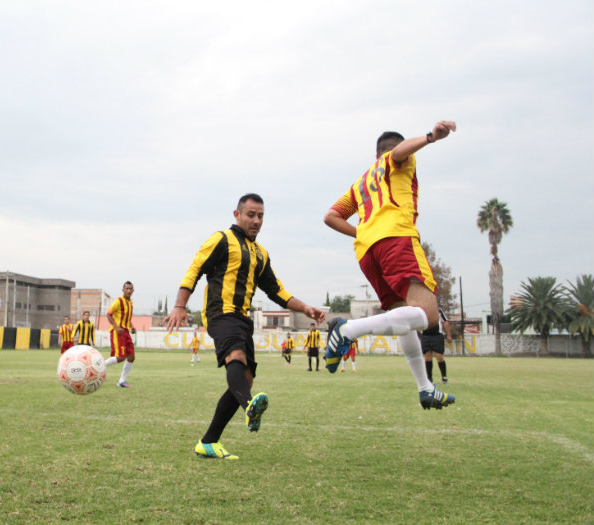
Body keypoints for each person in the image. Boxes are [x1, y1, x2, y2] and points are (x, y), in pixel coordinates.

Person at [164, 193, 325, 460]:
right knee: (235, 358)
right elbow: (195, 269)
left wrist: (305, 307)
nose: (256, 220)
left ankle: (208, 441)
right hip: (220, 313)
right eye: (251, 214)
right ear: (237, 214)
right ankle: (249, 406)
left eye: (261, 216)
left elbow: (277, 291)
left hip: (242, 319)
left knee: (246, 378)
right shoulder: (222, 239)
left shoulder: (261, 253)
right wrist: (180, 305)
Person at [322, 120, 457, 410]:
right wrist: (431, 137)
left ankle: (425, 388)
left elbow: (331, 216)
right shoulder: (396, 160)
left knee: (404, 320)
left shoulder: (361, 184)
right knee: (428, 315)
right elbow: (398, 154)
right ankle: (348, 331)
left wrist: (364, 231)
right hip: (396, 239)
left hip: (368, 251)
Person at [104, 282, 136, 388]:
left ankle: (122, 381)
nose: (129, 290)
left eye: (130, 289)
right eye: (127, 288)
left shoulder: (130, 302)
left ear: (133, 290)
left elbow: (127, 317)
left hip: (126, 331)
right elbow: (108, 314)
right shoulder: (118, 301)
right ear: (123, 289)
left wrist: (131, 326)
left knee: (131, 357)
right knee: (121, 357)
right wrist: (116, 327)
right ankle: (99, 366)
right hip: (118, 332)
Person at [422, 308, 451, 384]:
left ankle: (444, 377)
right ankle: (429, 379)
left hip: (437, 335)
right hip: (425, 335)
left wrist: (449, 335)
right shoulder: (421, 310)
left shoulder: (438, 310)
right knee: (427, 357)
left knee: (439, 357)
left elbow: (445, 322)